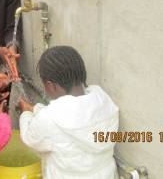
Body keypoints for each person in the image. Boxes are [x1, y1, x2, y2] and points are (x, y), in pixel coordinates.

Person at [18, 46, 119, 179]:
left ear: (50, 85)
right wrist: (36, 109)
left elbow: (30, 138)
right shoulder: (102, 100)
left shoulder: (50, 118)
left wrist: (25, 113)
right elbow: (73, 116)